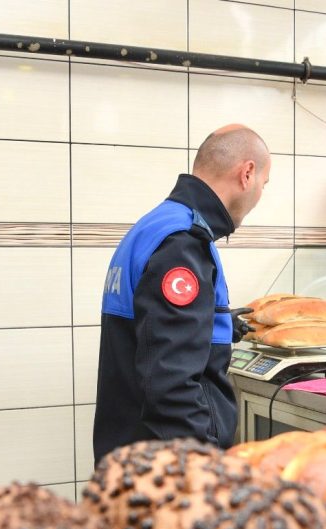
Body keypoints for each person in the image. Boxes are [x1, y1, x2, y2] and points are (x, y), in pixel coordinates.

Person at [93, 124, 270, 462]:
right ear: (247, 173)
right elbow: (170, 385)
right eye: (264, 183)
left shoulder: (157, 224)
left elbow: (150, 330)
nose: (261, 193)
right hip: (165, 474)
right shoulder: (182, 242)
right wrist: (204, 469)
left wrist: (215, 322)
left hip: (130, 457)